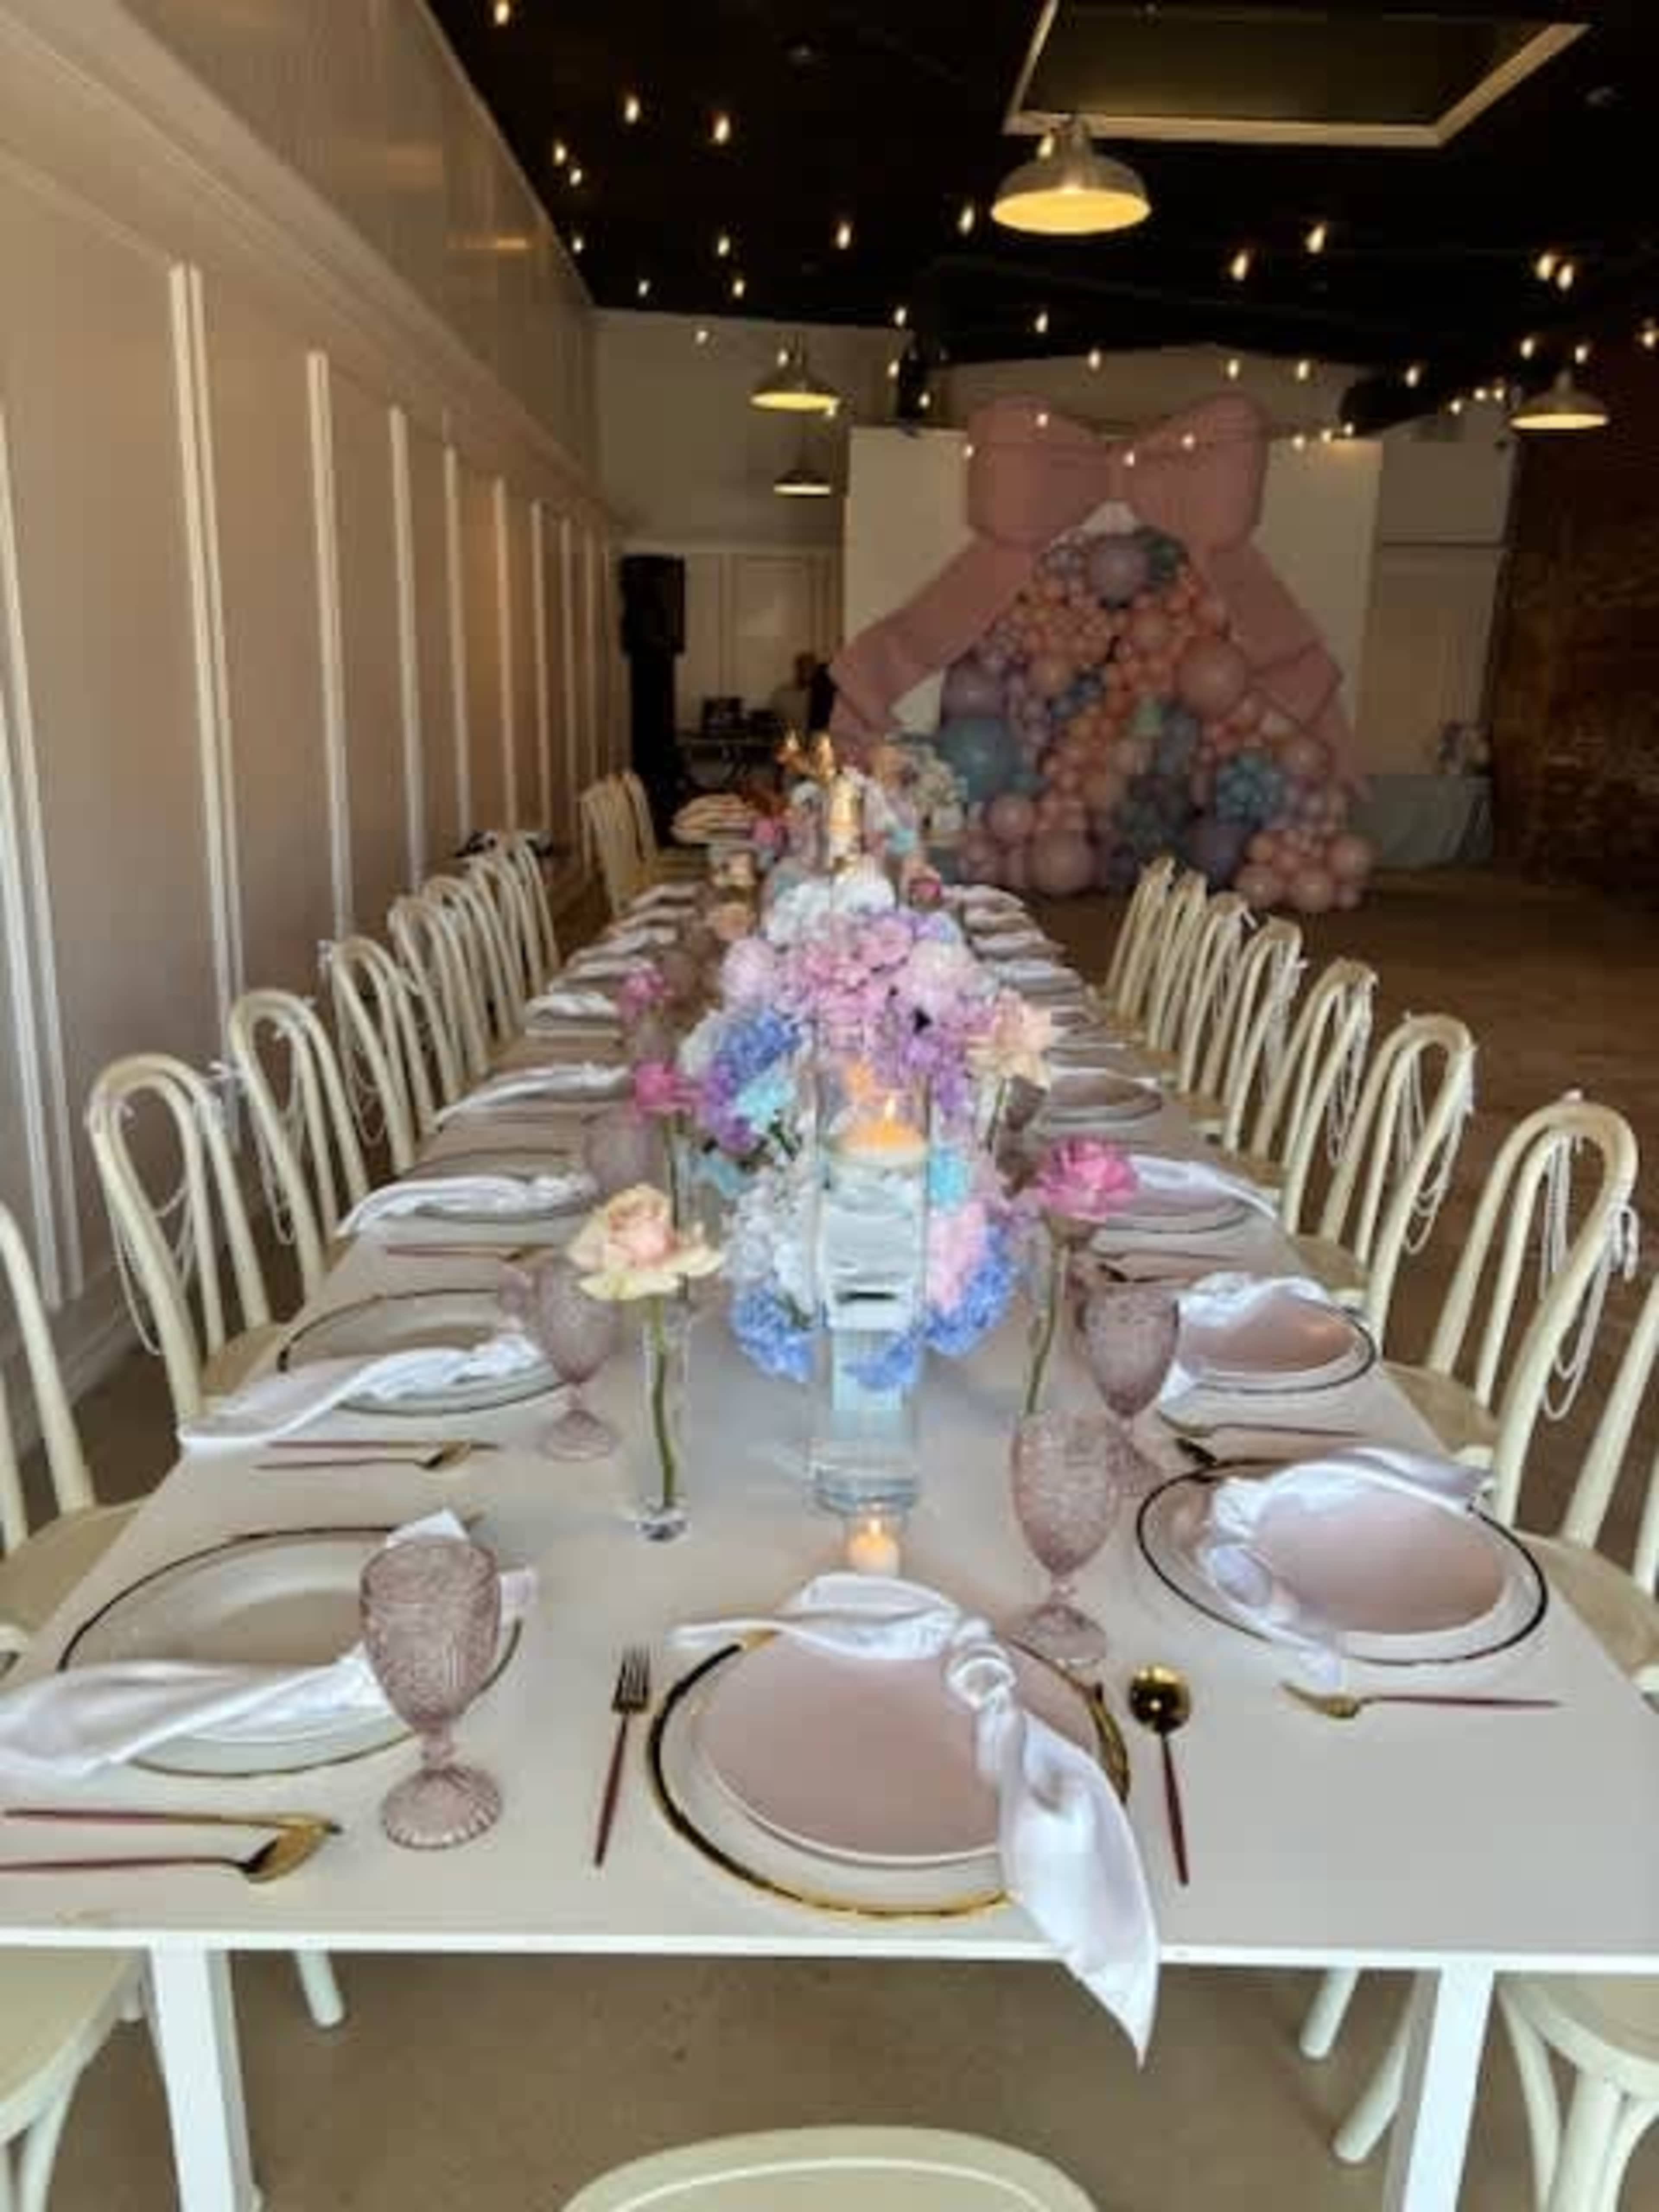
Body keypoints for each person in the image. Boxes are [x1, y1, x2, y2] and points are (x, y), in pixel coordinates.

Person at [769, 650, 816, 734]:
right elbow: (774, 721)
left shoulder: (822, 696)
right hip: (789, 741)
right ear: (797, 668)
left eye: (811, 668)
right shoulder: (781, 694)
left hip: (816, 742)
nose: (808, 672)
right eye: (804, 668)